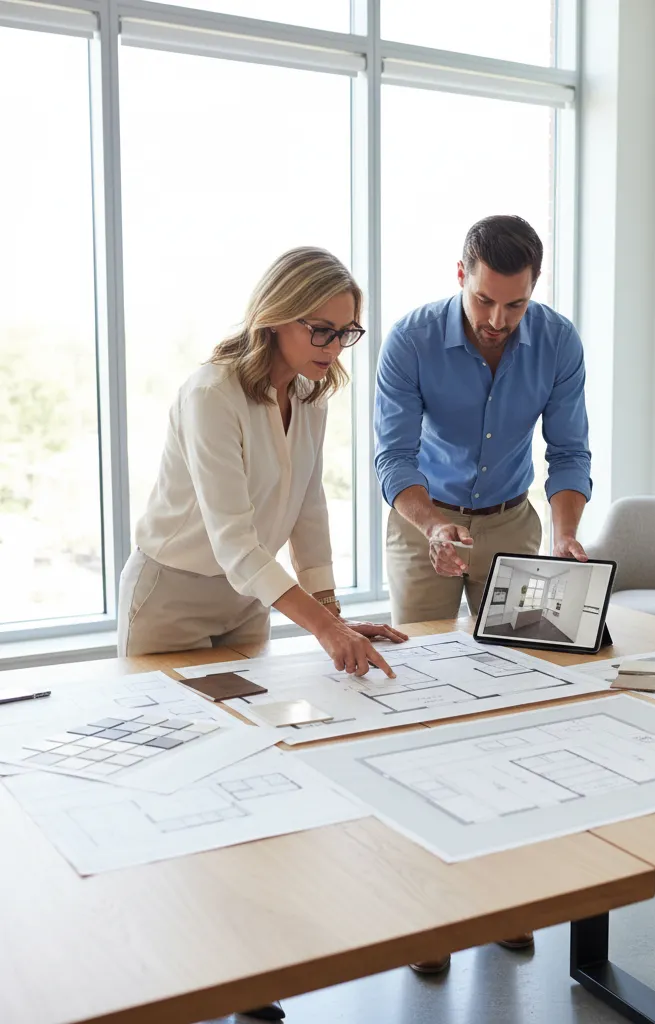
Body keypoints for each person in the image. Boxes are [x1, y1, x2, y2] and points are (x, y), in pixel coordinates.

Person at [119, 246, 407, 1022]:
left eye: (348, 333)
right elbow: (234, 541)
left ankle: (253, 971)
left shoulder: (310, 394)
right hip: (171, 599)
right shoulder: (209, 392)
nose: (335, 346)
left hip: (249, 604)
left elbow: (308, 510)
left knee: (249, 774)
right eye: (322, 328)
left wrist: (332, 610)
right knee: (175, 782)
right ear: (275, 316)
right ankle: (171, 967)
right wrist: (320, 630)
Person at [373, 215, 593, 972]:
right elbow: (393, 456)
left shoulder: (558, 342)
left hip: (512, 524)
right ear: (459, 273)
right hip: (422, 526)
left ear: (534, 291)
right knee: (421, 710)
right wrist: (432, 527)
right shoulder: (409, 339)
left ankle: (507, 896)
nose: (499, 321)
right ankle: (428, 916)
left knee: (515, 708)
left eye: (516, 306)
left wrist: (563, 536)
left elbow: (568, 451)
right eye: (485, 302)